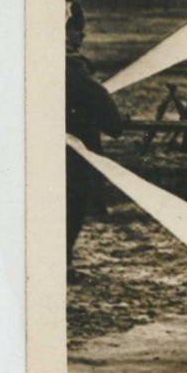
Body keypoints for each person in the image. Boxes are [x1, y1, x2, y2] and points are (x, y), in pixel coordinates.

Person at [66, 32, 123, 278]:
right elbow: (110, 118)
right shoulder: (72, 67)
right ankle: (62, 262)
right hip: (71, 155)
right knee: (71, 204)